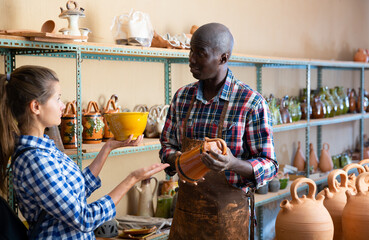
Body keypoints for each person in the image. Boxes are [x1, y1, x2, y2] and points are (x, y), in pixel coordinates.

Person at [0, 65, 169, 239]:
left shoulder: (45, 148)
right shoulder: (35, 160)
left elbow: (77, 190)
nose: (63, 106)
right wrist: (131, 179)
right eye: (57, 99)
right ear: (36, 106)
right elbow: (84, 218)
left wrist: (108, 147)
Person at [159, 23, 278, 240]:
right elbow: (166, 147)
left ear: (223, 58)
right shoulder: (182, 97)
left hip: (229, 221)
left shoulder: (250, 103)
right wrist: (181, 160)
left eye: (200, 54)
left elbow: (270, 165)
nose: (191, 59)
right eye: (191, 51)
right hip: (186, 218)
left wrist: (232, 164)